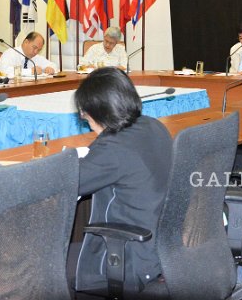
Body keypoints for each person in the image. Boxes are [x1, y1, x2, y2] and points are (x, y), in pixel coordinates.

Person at [73, 67, 172, 294]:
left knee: (51, 270)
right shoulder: (154, 125)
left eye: (84, 112)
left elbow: (66, 184)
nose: (84, 117)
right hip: (163, 249)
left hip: (128, 258)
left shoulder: (113, 148)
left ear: (97, 112)